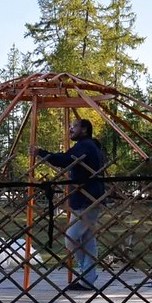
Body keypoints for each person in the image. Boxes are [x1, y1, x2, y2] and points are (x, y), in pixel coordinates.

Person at [34, 118, 106, 292]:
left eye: (74, 126)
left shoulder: (85, 146)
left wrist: (40, 152)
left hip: (86, 199)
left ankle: (86, 275)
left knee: (71, 238)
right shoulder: (89, 146)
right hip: (88, 198)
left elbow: (64, 159)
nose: (70, 130)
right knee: (87, 240)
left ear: (85, 129)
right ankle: (87, 280)